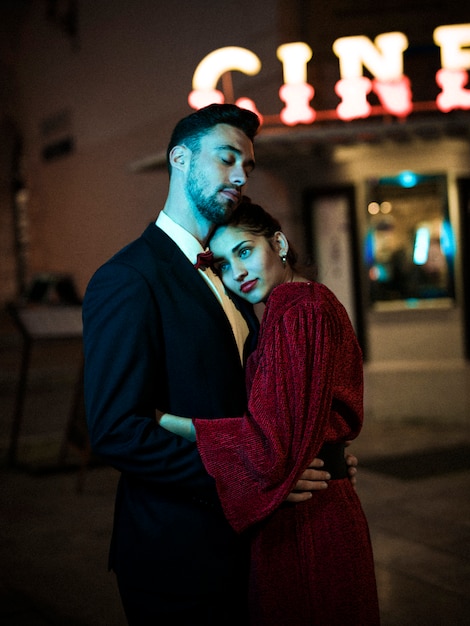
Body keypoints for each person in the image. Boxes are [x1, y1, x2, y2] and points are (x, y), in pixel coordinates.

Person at [82, 104, 358, 626]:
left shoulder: (232, 277)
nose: (239, 175)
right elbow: (116, 431)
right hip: (176, 553)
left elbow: (256, 404)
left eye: (248, 166)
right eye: (227, 158)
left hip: (250, 545)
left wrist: (321, 452)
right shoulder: (127, 278)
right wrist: (251, 480)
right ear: (180, 159)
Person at [158, 200, 380, 625]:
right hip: (314, 506)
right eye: (222, 264)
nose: (237, 272)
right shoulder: (299, 307)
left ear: (278, 243)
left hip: (307, 521)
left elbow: (268, 450)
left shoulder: (299, 313)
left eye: (244, 251)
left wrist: (167, 422)